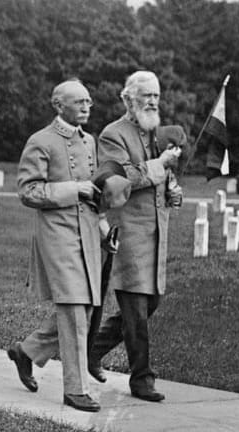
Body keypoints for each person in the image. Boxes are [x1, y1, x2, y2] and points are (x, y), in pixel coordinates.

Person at [5, 79, 107, 413]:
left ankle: (27, 351)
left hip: (88, 234)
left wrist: (104, 224)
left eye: (89, 101)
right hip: (57, 236)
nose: (86, 107)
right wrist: (74, 189)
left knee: (85, 309)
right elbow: (28, 191)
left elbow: (92, 190)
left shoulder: (89, 141)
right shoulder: (41, 141)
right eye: (79, 102)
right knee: (74, 310)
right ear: (57, 105)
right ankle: (75, 390)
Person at [87, 70, 183, 403]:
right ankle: (142, 379)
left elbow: (162, 177)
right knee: (137, 308)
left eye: (157, 95)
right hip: (127, 232)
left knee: (148, 302)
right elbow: (121, 178)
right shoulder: (112, 135)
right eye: (147, 95)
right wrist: (160, 165)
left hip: (156, 233)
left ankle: (92, 349)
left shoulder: (156, 132)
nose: (153, 101)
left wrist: (172, 190)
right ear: (129, 99)